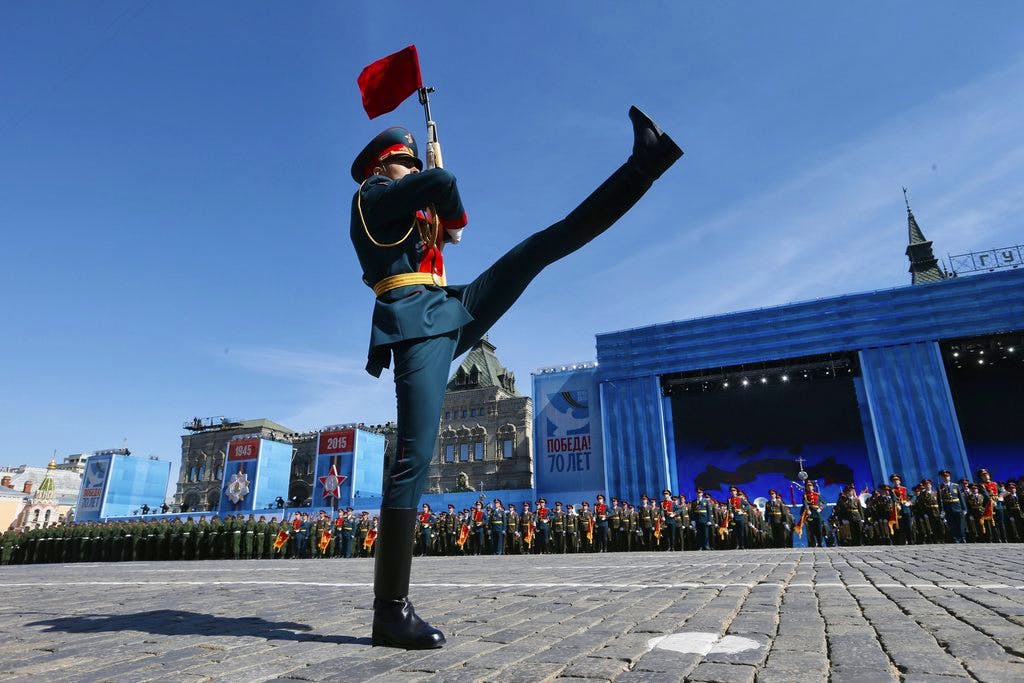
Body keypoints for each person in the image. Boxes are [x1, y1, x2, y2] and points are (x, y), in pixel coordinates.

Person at [350, 107, 680, 648]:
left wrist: (440, 207)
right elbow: (446, 185)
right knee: (414, 456)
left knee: (540, 248)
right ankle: (389, 611)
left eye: (413, 162)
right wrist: (435, 186)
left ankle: (643, 165)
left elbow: (450, 215)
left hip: (447, 308)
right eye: (405, 163)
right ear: (384, 167)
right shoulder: (370, 198)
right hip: (415, 325)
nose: (412, 169)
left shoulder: (407, 206)